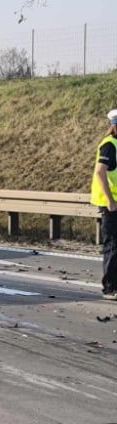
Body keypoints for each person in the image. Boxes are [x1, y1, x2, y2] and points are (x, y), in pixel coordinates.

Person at [91, 108, 117, 300]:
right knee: (113, 245)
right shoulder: (109, 145)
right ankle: (110, 288)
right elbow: (100, 173)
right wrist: (110, 200)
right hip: (111, 204)